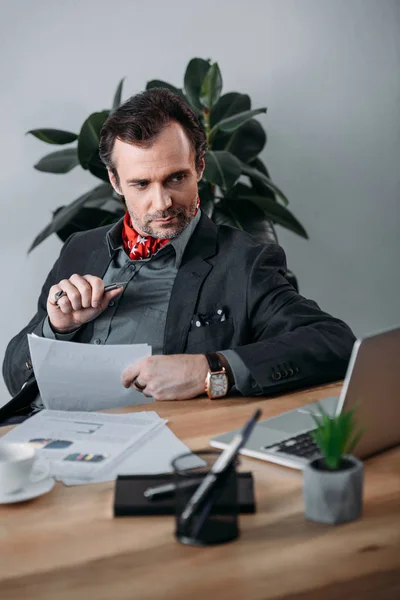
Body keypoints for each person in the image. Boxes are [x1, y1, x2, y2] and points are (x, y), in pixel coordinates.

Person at [1, 88, 355, 423]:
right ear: (115, 181)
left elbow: (334, 343)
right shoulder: (80, 248)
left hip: (152, 446)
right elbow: (15, 375)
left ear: (200, 167)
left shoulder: (243, 262)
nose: (163, 203)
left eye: (176, 178)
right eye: (141, 184)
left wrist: (208, 370)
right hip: (38, 435)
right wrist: (56, 329)